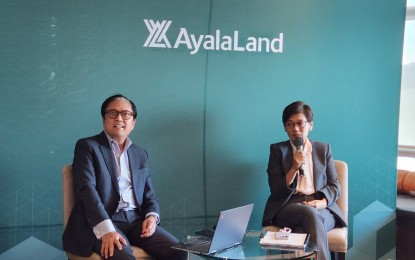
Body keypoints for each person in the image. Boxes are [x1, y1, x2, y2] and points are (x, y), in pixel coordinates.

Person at [62, 94, 186, 260]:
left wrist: (151, 217)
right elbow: (86, 190)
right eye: (112, 113)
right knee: (123, 255)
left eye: (126, 114)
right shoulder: (87, 147)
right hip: (100, 220)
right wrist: (106, 230)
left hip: (136, 220)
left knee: (180, 252)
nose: (119, 118)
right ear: (104, 119)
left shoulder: (140, 154)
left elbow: (149, 195)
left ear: (133, 122)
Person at [262, 101, 347, 260]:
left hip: (320, 206)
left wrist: (322, 202)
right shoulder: (277, 150)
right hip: (288, 206)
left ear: (310, 125)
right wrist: (294, 167)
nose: (295, 129)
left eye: (300, 123)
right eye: (290, 124)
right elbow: (276, 190)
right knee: (309, 214)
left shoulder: (323, 149)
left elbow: (335, 186)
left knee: (303, 230)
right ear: (285, 128)